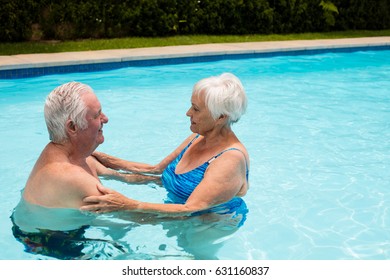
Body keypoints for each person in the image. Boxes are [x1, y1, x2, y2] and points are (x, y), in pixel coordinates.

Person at [81, 73, 249, 226]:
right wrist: (106, 160)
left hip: (214, 222)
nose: (188, 113)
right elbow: (156, 170)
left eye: (196, 109)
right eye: (191, 106)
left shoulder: (230, 159)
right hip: (182, 215)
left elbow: (191, 207)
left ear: (220, 117)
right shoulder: (198, 137)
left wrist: (128, 204)